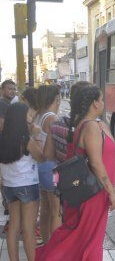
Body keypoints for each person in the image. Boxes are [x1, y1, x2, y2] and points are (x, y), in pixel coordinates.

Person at [36, 86, 115, 261]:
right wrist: (112, 192)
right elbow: (97, 164)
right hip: (94, 192)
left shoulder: (91, 124)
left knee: (83, 237)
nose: (103, 102)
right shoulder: (90, 127)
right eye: (101, 99)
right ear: (95, 103)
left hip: (92, 192)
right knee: (89, 239)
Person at [0, 103, 45, 261]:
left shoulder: (2, 139)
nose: (30, 118)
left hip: (9, 187)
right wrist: (36, 137)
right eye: (28, 115)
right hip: (27, 185)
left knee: (13, 227)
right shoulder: (26, 139)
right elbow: (41, 158)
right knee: (28, 229)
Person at [34, 85, 61, 243]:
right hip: (52, 169)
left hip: (41, 168)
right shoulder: (52, 118)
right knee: (56, 211)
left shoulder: (39, 114)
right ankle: (55, 247)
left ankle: (46, 242)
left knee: (46, 208)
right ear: (56, 99)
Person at [50, 81, 91, 163]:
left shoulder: (56, 124)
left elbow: (48, 154)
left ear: (70, 101)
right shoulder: (92, 127)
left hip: (63, 172)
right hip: (86, 174)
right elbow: (95, 163)